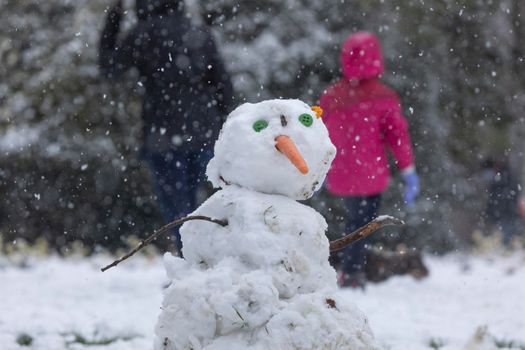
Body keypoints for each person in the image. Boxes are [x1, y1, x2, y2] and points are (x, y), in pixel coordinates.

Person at [99, 0, 234, 255]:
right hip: (203, 130)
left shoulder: (142, 34)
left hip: (162, 133)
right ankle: (204, 260)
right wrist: (224, 124)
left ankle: (188, 260)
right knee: (200, 201)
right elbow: (223, 85)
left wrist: (114, 18)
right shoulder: (197, 32)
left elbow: (109, 67)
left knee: (177, 206)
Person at [320, 32, 419, 288]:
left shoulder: (331, 96)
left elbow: (320, 134)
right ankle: (352, 273)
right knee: (364, 224)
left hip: (338, 173)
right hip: (371, 173)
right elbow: (397, 136)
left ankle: (344, 268)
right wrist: (407, 169)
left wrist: (316, 169)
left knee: (352, 221)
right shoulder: (383, 97)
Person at [481, 158, 521, 246]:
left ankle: (508, 248)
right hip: (501, 214)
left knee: (507, 235)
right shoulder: (498, 180)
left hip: (507, 213)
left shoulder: (505, 178)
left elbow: (505, 197)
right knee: (502, 236)